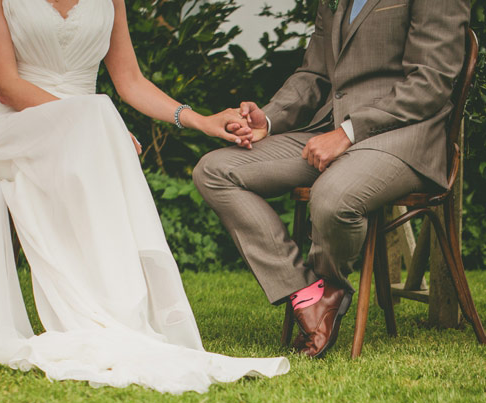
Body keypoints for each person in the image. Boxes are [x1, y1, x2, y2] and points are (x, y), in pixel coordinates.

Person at [0, 0, 289, 394]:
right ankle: (107, 310)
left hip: (87, 136)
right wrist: (90, 123)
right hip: (13, 132)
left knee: (96, 122)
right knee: (96, 120)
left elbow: (130, 81)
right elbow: (7, 87)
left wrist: (200, 120)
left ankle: (123, 314)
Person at [194, 0, 470, 359]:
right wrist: (271, 119)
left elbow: (430, 83)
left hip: (405, 138)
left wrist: (350, 132)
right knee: (214, 171)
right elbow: (314, 75)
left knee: (333, 195)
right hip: (329, 130)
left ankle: (328, 288)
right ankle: (311, 294)